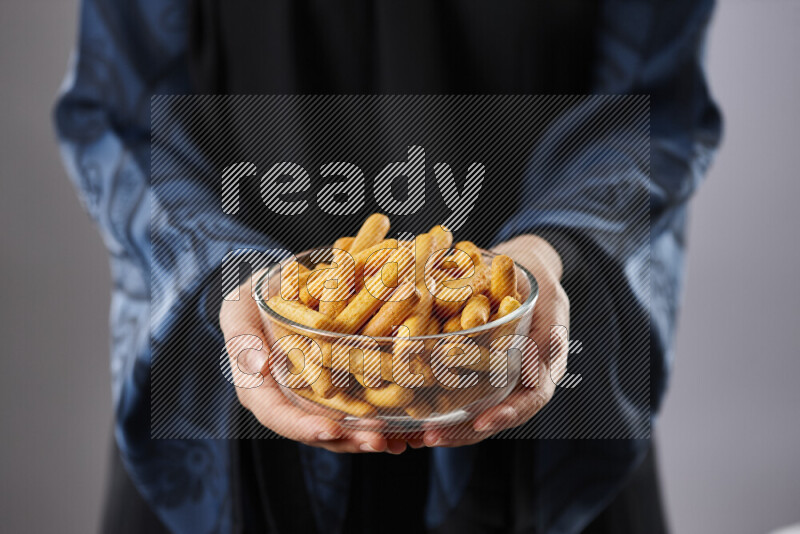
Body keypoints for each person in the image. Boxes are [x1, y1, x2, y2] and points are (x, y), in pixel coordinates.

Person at [54, 1, 721, 533]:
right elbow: (125, 115)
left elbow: (652, 103)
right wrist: (231, 278)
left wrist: (549, 250)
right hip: (228, 419)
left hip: (541, 400)